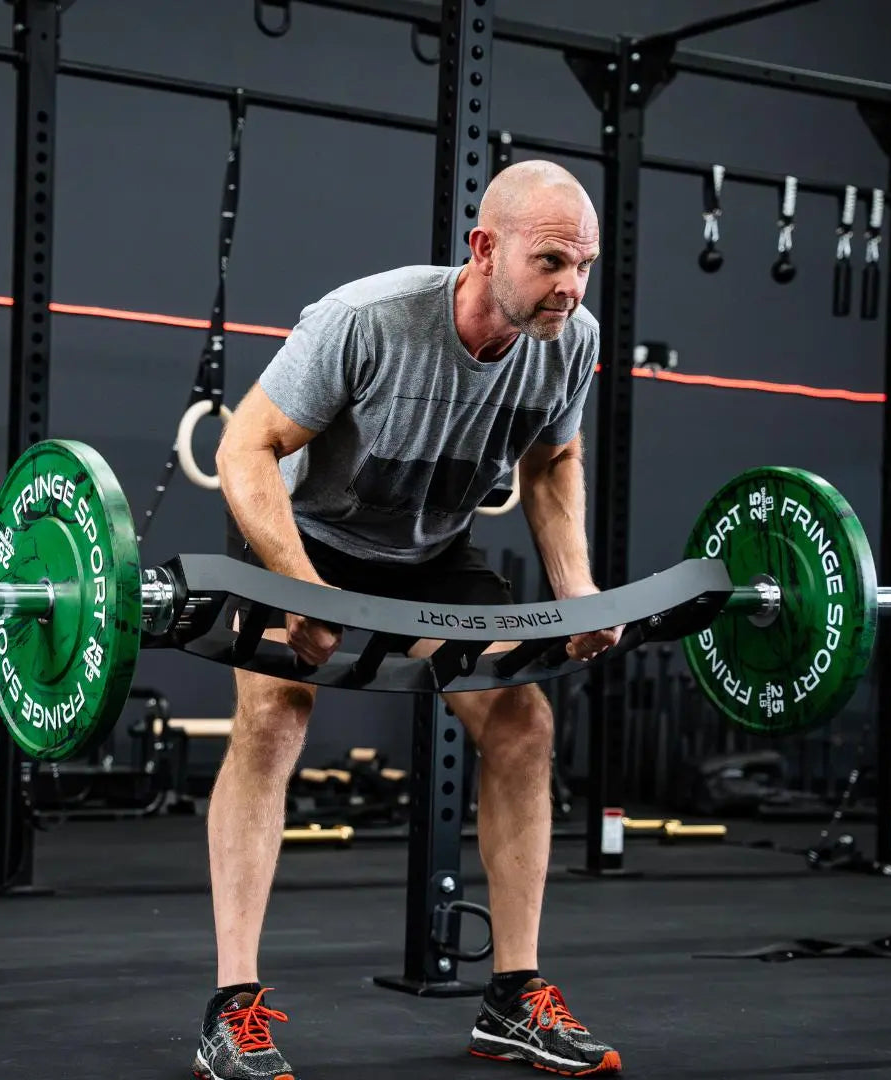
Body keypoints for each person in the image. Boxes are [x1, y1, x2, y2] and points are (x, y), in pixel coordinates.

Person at [196, 160, 624, 1080]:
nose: (571, 287)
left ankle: (512, 998)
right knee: (274, 715)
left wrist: (578, 590)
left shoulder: (570, 338)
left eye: (585, 265)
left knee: (522, 721)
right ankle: (232, 1008)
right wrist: (302, 590)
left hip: (428, 551)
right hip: (301, 537)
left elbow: (554, 462)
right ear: (485, 249)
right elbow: (244, 449)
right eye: (552, 262)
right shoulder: (367, 319)